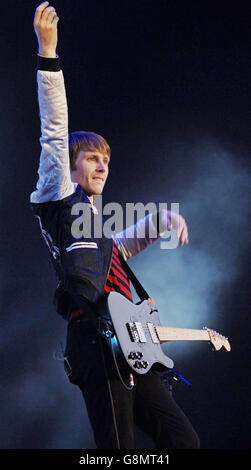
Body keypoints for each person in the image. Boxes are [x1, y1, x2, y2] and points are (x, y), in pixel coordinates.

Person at [31, 1, 200, 449]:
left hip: (131, 343)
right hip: (94, 338)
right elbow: (54, 128)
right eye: (92, 158)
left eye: (106, 159)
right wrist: (49, 53)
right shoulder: (58, 195)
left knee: (185, 442)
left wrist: (162, 218)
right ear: (68, 167)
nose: (102, 165)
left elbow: (118, 250)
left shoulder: (95, 225)